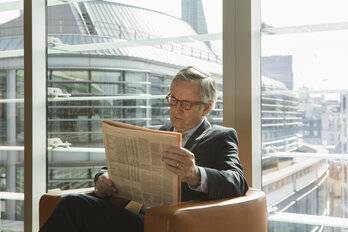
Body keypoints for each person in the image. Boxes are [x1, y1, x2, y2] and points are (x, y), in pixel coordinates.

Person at [39, 66, 248, 232]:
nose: (175, 109)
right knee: (73, 205)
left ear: (206, 107)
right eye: (173, 100)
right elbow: (111, 167)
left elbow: (238, 182)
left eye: (185, 104)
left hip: (164, 223)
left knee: (74, 206)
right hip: (129, 211)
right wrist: (103, 178)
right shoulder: (158, 132)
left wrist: (194, 174)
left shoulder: (221, 136)